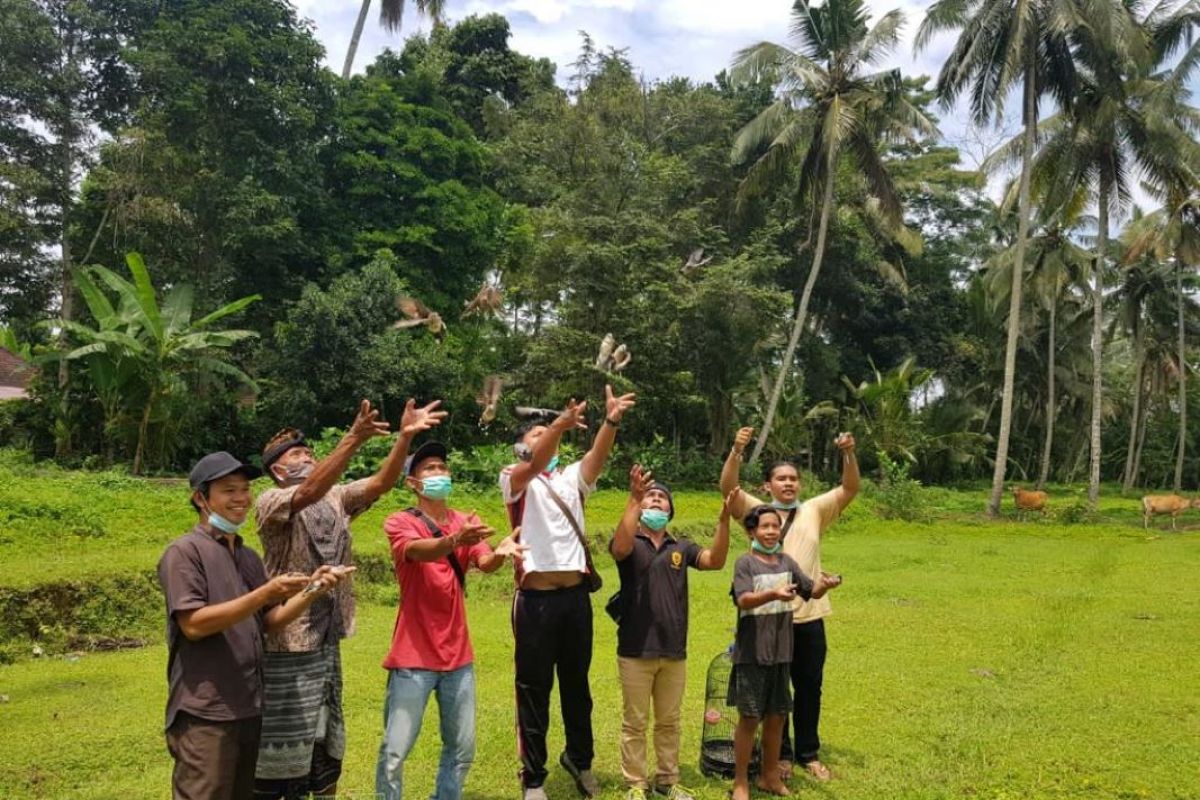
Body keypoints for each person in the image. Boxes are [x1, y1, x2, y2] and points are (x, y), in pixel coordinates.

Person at [253, 398, 446, 800]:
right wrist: (353, 437)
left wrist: (405, 438)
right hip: (287, 642)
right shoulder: (270, 501)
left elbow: (380, 483)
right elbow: (307, 490)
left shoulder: (337, 497)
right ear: (276, 469)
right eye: (297, 454)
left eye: (310, 452)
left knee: (326, 743)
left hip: (327, 639)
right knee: (282, 750)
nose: (306, 457)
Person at [158, 451, 352, 800]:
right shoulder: (184, 553)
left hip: (249, 706)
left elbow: (271, 622)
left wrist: (314, 589)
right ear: (200, 498)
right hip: (206, 711)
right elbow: (194, 624)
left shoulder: (247, 557)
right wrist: (264, 592)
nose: (241, 499)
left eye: (245, 490)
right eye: (228, 490)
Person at [500, 385, 636, 800]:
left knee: (577, 686)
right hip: (536, 602)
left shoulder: (571, 477)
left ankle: (580, 759)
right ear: (520, 448)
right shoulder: (513, 478)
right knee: (533, 689)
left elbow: (597, 457)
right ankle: (534, 779)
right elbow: (535, 462)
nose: (546, 440)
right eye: (536, 436)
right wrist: (557, 425)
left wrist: (610, 420)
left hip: (575, 600)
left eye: (550, 433)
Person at [375, 440, 527, 800]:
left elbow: (484, 562)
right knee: (395, 752)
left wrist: (501, 553)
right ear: (412, 483)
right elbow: (418, 551)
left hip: (459, 657)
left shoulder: (464, 520)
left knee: (461, 749)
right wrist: (455, 539)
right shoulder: (401, 521)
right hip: (413, 657)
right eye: (429, 469)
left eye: (442, 467)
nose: (439, 473)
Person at [719, 428, 858, 782]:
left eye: (794, 478)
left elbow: (850, 488)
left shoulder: (813, 510)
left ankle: (808, 753)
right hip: (768, 621)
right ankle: (778, 756)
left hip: (809, 617)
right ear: (767, 486)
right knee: (774, 693)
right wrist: (737, 450)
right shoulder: (758, 511)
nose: (789, 483)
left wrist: (848, 454)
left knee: (809, 686)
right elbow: (728, 490)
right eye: (781, 478)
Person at [609, 466, 734, 800]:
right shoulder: (630, 540)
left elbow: (715, 561)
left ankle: (667, 780)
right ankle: (635, 784)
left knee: (669, 721)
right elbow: (618, 549)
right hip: (635, 648)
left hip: (673, 650)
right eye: (651, 496)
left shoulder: (682, 546)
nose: (655, 500)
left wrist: (724, 521)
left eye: (661, 498)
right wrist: (633, 499)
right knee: (634, 722)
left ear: (670, 511)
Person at [728, 506, 840, 800]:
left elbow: (809, 591)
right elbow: (743, 600)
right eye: (764, 527)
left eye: (775, 527)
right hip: (753, 653)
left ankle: (770, 776)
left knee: (777, 717)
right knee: (750, 718)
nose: (770, 532)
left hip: (782, 652)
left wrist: (825, 586)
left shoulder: (786, 561)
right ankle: (740, 782)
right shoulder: (745, 563)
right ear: (752, 531)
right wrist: (773, 593)